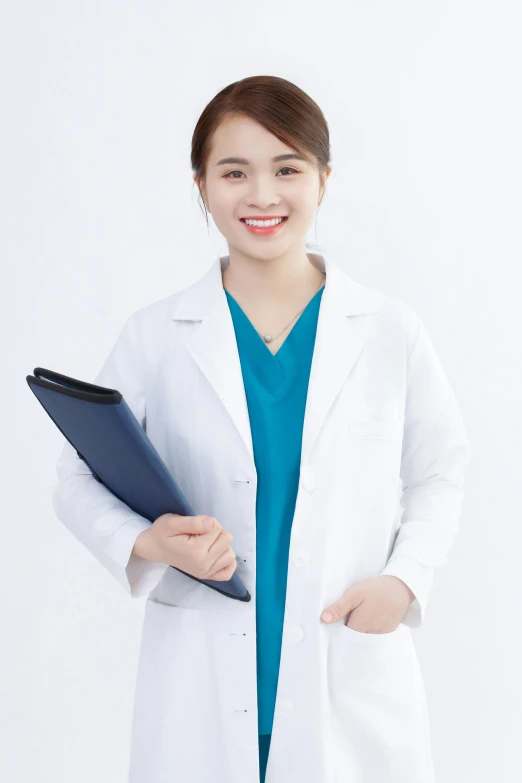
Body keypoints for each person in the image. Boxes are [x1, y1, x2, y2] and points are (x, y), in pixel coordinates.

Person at [53, 76, 471, 783]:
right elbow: (75, 477)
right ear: (201, 183)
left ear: (324, 178)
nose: (263, 195)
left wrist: (405, 578)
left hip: (348, 673)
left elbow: (440, 469)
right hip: (201, 678)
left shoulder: (390, 331)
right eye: (234, 171)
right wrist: (145, 540)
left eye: (287, 168)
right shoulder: (156, 335)